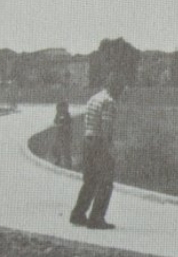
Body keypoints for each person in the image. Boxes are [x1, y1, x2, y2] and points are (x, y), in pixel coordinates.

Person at [69, 73, 125, 229]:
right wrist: (110, 149)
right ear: (115, 87)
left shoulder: (94, 98)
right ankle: (96, 218)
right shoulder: (109, 102)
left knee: (90, 180)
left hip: (87, 141)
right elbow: (106, 129)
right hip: (99, 143)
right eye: (121, 88)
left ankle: (78, 214)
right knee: (105, 182)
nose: (121, 92)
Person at [51, 100, 73, 167]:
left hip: (66, 134)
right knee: (57, 147)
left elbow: (68, 124)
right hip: (59, 133)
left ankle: (68, 162)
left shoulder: (67, 115)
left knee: (66, 149)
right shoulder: (58, 114)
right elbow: (55, 121)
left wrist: (64, 126)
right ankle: (58, 159)